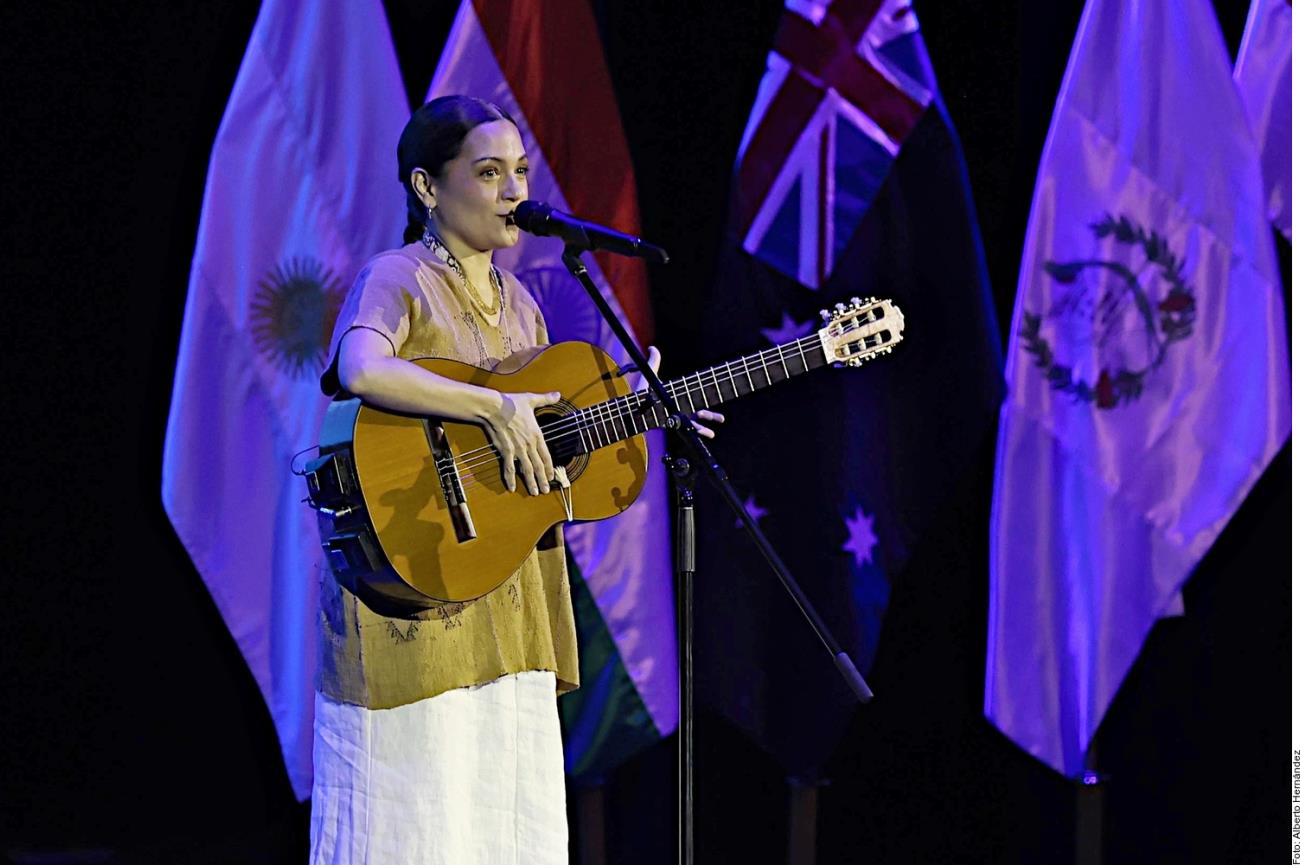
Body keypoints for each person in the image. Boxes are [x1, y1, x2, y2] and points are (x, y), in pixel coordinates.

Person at [309, 95, 717, 864]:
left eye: (520, 172)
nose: (513, 191)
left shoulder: (523, 305)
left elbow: (545, 455)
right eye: (488, 171)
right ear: (428, 188)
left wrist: (643, 412)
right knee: (418, 828)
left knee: (505, 828)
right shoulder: (397, 276)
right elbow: (361, 367)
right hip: (416, 589)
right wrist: (491, 404)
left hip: (508, 598)